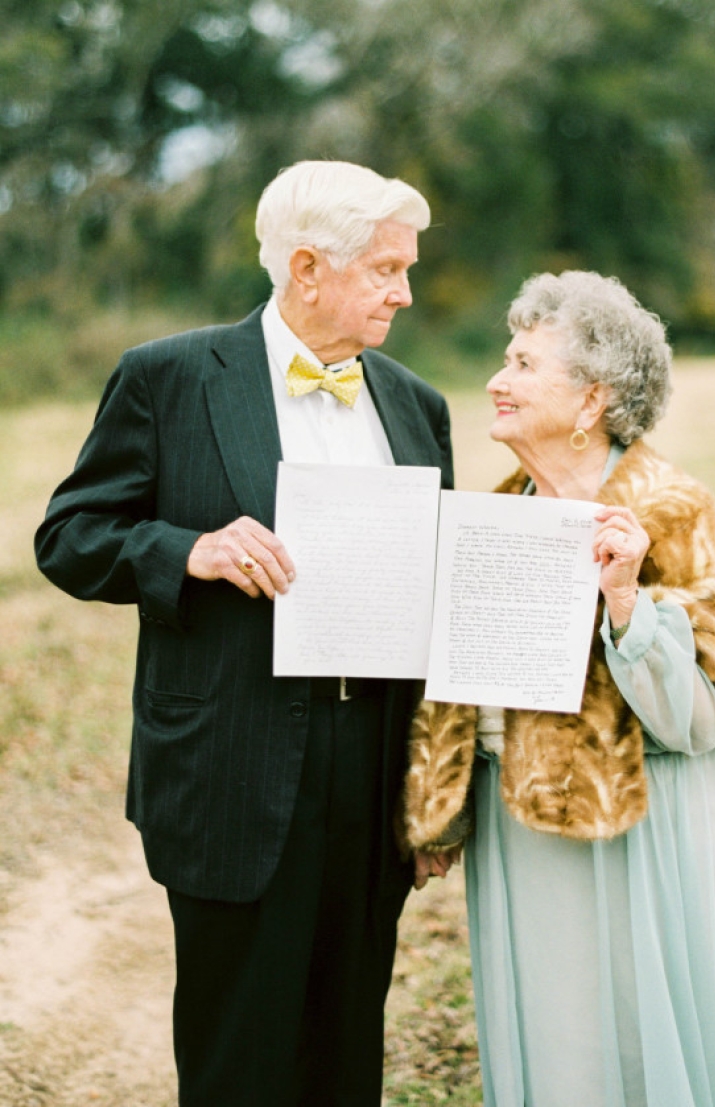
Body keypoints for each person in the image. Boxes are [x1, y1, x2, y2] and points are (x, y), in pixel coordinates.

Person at [34, 160, 453, 1106]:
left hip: (371, 766)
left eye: (406, 267)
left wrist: (433, 791)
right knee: (238, 1058)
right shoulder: (167, 377)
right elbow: (68, 538)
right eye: (387, 268)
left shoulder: (417, 405)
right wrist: (189, 550)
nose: (406, 290)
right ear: (306, 266)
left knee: (346, 1049)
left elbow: (437, 600)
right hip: (232, 766)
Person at [402, 271, 715, 1106]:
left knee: (648, 1041)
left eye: (521, 363)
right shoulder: (499, 512)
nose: (496, 380)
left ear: (590, 399)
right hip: (525, 842)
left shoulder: (673, 511)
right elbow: (461, 687)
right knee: (563, 1054)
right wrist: (437, 802)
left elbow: (704, 718)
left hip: (656, 835)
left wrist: (626, 602)